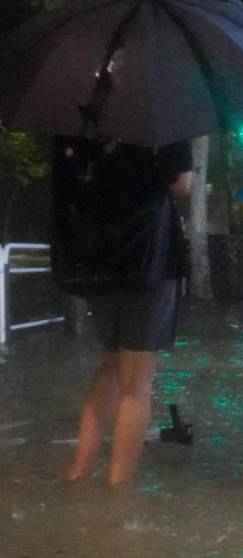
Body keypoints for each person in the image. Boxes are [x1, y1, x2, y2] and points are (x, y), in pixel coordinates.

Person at [59, 138, 192, 487]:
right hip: (150, 260)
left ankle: (76, 473)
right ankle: (118, 489)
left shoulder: (83, 118)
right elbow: (180, 183)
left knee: (110, 365)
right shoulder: (161, 119)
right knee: (136, 382)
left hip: (99, 259)